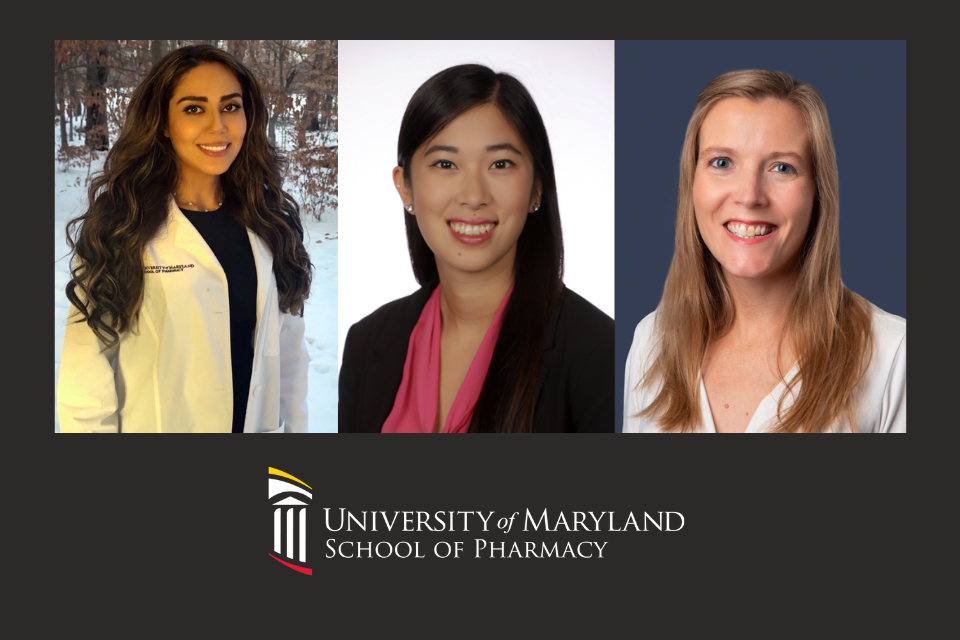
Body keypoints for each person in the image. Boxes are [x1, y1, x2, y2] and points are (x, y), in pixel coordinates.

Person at [623, 69, 905, 433]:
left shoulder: (894, 357)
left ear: (818, 192)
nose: (749, 195)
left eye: (782, 167)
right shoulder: (652, 343)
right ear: (692, 182)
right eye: (722, 162)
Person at [339, 64, 614, 433]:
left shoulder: (601, 353)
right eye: (445, 164)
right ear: (405, 186)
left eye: (500, 164)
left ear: (536, 188)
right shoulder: (366, 342)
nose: (473, 196)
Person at [57, 44, 312, 433]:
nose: (219, 126)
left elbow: (290, 356)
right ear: (163, 122)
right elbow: (85, 375)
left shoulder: (270, 222)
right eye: (194, 109)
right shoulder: (121, 227)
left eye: (230, 106)